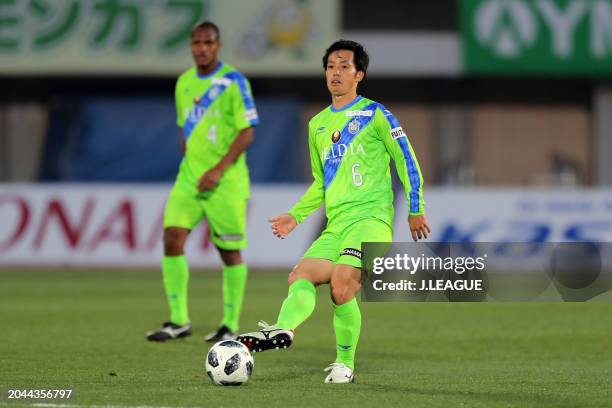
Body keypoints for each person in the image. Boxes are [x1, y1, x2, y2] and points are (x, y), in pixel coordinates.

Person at [237, 40, 430, 383]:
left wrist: (416, 208)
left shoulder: (377, 114)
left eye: (344, 66)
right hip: (336, 225)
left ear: (359, 75)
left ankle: (344, 364)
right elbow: (320, 184)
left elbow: (407, 161)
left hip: (371, 223)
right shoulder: (318, 125)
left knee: (341, 287)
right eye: (330, 67)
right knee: (300, 276)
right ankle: (283, 330)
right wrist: (295, 215)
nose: (336, 72)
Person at [147, 21, 258, 343]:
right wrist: (189, 158)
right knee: (172, 237)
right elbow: (185, 127)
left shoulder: (234, 82)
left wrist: (219, 170)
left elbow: (247, 131)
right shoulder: (183, 83)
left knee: (229, 252)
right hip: (190, 179)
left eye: (208, 43)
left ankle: (229, 324)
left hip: (225, 181)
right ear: (191, 46)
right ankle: (178, 321)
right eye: (196, 43)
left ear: (218, 45)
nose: (201, 48)